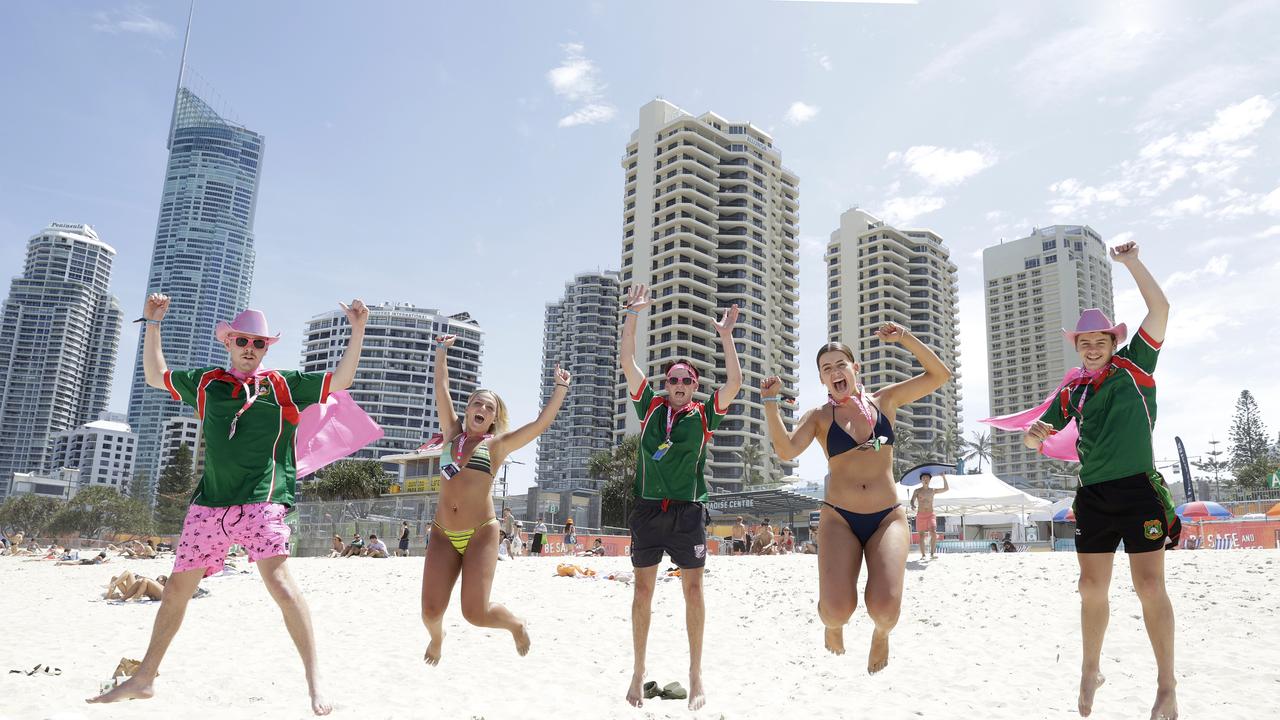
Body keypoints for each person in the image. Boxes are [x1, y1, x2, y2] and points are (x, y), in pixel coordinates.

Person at [90, 295, 369, 715]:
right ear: (229, 342)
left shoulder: (283, 384)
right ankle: (144, 678)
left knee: (280, 586)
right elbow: (155, 375)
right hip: (210, 505)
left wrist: (358, 329)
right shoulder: (206, 383)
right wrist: (152, 323)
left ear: (266, 348)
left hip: (264, 497)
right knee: (176, 591)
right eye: (243, 340)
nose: (250, 349)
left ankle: (315, 680)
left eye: (259, 343)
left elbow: (341, 381)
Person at [995, 241, 1175, 720]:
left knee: (1150, 588)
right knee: (1090, 590)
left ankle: (1166, 686)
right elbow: (1040, 438)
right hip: (1092, 496)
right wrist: (1033, 438)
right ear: (1076, 345)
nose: (1093, 347)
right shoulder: (1072, 388)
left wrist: (1132, 262)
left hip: (1139, 490)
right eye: (1085, 341)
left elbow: (1160, 307)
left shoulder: (1136, 366)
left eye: (1101, 340)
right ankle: (1090, 668)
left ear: (1113, 343)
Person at [763, 323, 951, 674]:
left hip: (886, 518)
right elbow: (787, 450)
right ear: (822, 380)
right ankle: (832, 626)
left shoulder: (885, 401)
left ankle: (881, 634)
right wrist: (771, 404)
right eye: (826, 368)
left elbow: (939, 375)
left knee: (886, 609)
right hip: (839, 518)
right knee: (837, 610)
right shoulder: (819, 417)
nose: (835, 372)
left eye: (840, 364)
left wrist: (905, 338)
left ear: (855, 368)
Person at [619, 284, 741, 711]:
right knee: (642, 593)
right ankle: (637, 671)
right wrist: (633, 313)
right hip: (648, 510)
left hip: (688, 511)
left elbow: (736, 382)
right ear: (665, 383)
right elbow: (627, 360)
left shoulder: (704, 414)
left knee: (693, 591)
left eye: (686, 379)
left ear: (694, 385)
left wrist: (726, 335)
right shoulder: (649, 405)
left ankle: (695, 674)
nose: (679, 384)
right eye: (673, 378)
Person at [420, 334, 569, 666]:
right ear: (468, 408)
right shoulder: (451, 435)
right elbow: (441, 389)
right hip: (443, 533)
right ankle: (437, 637)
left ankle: (516, 624)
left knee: (475, 613)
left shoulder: (496, 446)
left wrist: (560, 388)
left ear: (492, 418)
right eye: (478, 403)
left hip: (480, 534)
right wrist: (441, 351)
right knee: (430, 611)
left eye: (490, 407)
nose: (483, 409)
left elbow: (538, 425)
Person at [909, 473, 949, 560]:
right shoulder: (917, 491)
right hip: (920, 515)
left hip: (930, 514)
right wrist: (912, 505)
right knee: (921, 536)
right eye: (923, 478)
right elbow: (912, 500)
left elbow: (946, 489)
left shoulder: (932, 490)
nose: (925, 480)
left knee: (934, 533)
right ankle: (923, 555)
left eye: (927, 478)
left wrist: (943, 477)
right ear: (921, 480)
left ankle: (932, 554)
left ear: (930, 480)